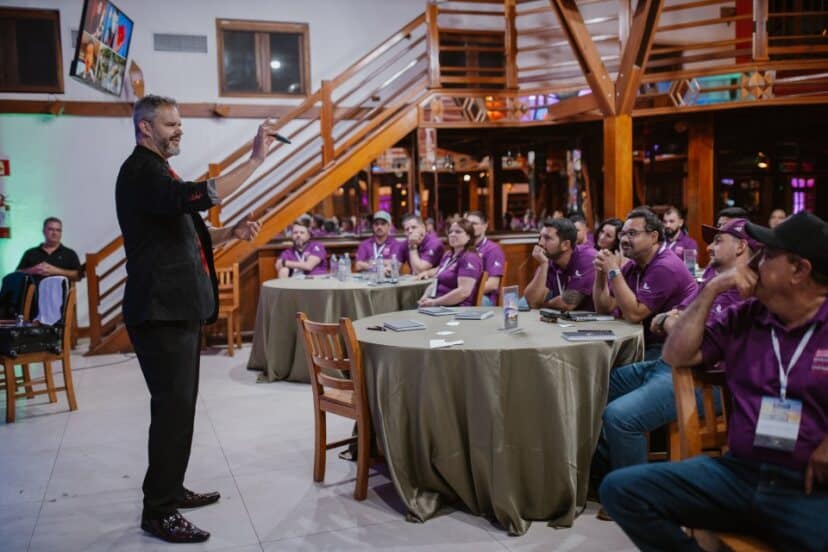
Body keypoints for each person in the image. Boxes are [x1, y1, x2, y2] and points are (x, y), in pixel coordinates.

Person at [601, 212, 828, 551]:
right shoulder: (746, 316)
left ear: (799, 270)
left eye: (767, 255)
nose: (754, 262)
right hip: (738, 474)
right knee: (621, 490)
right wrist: (711, 289)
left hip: (804, 486)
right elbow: (675, 356)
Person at [116, 95, 271, 543]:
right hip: (159, 311)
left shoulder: (159, 172)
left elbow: (192, 232)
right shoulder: (141, 172)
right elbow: (202, 195)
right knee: (171, 409)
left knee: (180, 408)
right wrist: (254, 161)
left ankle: (171, 488)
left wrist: (232, 232)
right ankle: (158, 510)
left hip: (176, 309)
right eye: (170, 124)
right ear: (145, 128)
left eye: (180, 123)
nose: (179, 130)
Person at [592, 218, 757, 518]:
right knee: (595, 386)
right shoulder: (713, 278)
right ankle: (603, 478)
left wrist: (674, 321)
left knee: (620, 416)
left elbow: (687, 338)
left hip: (704, 381)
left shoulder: (743, 292)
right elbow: (671, 319)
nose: (709, 247)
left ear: (741, 246)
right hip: (667, 365)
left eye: (718, 240)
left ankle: (636, 499)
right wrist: (673, 320)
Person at [593, 208, 697, 359]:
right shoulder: (634, 264)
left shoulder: (665, 267)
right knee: (599, 366)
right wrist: (601, 272)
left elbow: (634, 315)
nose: (624, 240)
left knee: (606, 369)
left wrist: (614, 270)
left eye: (632, 233)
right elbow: (604, 308)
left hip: (669, 348)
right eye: (623, 234)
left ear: (653, 237)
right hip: (642, 341)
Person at [524, 217, 596, 311]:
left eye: (547, 238)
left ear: (565, 245)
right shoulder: (549, 261)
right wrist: (543, 265)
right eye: (540, 237)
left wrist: (543, 304)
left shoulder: (588, 258)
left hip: (599, 319)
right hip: (566, 318)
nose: (540, 243)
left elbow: (568, 303)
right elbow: (532, 302)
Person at [417, 219, 483, 307]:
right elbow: (436, 281)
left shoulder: (470, 258)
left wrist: (434, 302)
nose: (452, 234)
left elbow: (463, 292)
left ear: (469, 236)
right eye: (450, 232)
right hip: (440, 305)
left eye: (458, 232)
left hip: (457, 308)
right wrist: (425, 297)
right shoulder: (448, 255)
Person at [17, 217, 82, 282]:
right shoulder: (30, 253)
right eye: (51, 229)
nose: (55, 233)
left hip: (60, 289)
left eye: (58, 230)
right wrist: (32, 270)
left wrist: (56, 271)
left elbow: (78, 276)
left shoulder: (69, 253)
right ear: (44, 231)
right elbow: (16, 274)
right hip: (35, 288)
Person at [465, 211, 506, 305]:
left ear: (485, 226)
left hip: (484, 298)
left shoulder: (493, 249)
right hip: (464, 294)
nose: (470, 227)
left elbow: (493, 285)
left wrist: (465, 291)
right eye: (468, 224)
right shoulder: (464, 248)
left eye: (474, 224)